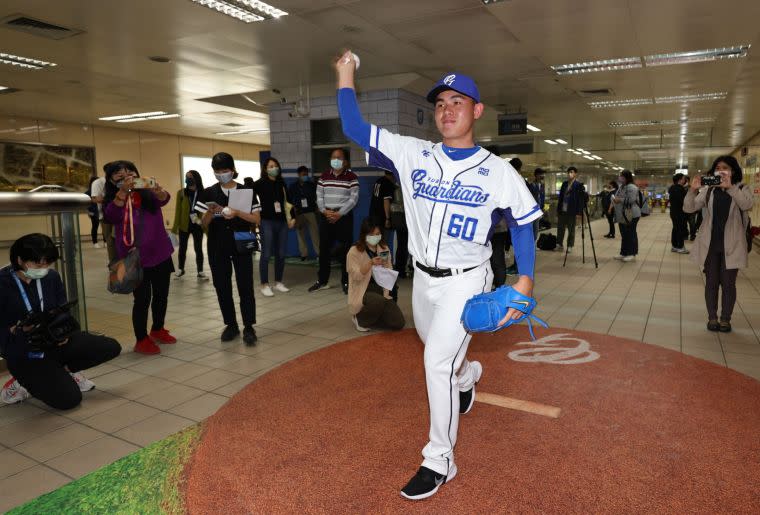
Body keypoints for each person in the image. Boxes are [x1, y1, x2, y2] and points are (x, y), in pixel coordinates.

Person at [336, 52, 542, 499]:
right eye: (441, 103)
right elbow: (354, 129)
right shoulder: (414, 155)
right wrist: (346, 75)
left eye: (457, 101)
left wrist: (524, 279)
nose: (447, 110)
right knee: (441, 354)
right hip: (423, 281)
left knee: (434, 363)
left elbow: (524, 222)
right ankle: (468, 378)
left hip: (468, 279)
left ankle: (440, 460)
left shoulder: (497, 171)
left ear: (477, 111)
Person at [0, 234, 121, 408]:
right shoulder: (3, 284)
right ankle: (21, 382)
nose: (44, 268)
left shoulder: (51, 278)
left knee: (110, 346)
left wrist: (64, 331)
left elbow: (61, 310)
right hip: (26, 352)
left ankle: (64, 371)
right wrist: (14, 332)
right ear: (20, 260)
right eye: (38, 263)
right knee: (69, 400)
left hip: (55, 341)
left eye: (47, 263)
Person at [104, 161, 177, 355]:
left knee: (162, 294)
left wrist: (157, 189)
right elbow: (110, 216)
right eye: (118, 174)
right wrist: (123, 193)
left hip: (160, 252)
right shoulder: (113, 199)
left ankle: (158, 329)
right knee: (142, 299)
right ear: (111, 180)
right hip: (135, 257)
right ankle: (141, 339)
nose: (125, 175)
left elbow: (165, 198)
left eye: (129, 171)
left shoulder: (147, 192)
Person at [195, 152, 261, 345]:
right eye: (218, 171)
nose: (222, 174)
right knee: (222, 285)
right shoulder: (208, 193)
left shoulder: (246, 191)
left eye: (225, 170)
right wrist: (211, 211)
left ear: (232, 170)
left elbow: (256, 219)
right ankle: (231, 324)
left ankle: (249, 326)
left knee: (245, 285)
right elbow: (203, 224)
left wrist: (237, 212)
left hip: (241, 243)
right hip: (217, 244)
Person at [684, 156, 753, 333]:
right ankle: (712, 318)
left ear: (733, 171)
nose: (721, 171)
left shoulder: (742, 188)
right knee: (711, 283)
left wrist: (730, 187)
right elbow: (689, 208)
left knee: (729, 284)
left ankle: (725, 319)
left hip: (733, 244)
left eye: (725, 168)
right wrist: (692, 190)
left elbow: (747, 204)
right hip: (711, 245)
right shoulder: (709, 190)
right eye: (718, 168)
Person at [309, 148, 359, 294]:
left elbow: (353, 199)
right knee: (324, 250)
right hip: (326, 216)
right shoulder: (324, 176)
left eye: (339, 157)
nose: (335, 160)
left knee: (346, 251)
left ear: (345, 161)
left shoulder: (352, 177)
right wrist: (324, 211)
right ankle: (322, 281)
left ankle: (345, 281)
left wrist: (340, 213)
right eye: (333, 157)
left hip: (343, 218)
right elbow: (319, 196)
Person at [346, 218, 405, 332]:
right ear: (364, 235)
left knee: (398, 322)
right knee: (378, 301)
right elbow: (356, 276)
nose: (375, 237)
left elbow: (389, 269)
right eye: (371, 234)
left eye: (377, 234)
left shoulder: (383, 248)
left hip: (381, 288)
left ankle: (375, 315)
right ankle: (360, 318)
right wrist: (370, 263)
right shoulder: (354, 251)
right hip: (363, 289)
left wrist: (386, 271)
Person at [255, 157, 294, 297]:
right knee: (266, 254)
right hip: (266, 222)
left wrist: (292, 217)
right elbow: (250, 196)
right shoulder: (259, 183)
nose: (274, 168)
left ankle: (278, 282)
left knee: (281, 253)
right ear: (265, 169)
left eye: (275, 166)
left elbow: (288, 201)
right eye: (270, 166)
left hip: (282, 222)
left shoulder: (281, 183)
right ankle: (264, 284)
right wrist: (256, 212)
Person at [489, 157, 522, 287]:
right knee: (495, 258)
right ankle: (496, 284)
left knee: (496, 258)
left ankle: (499, 285)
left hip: (497, 227)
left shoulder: (502, 181)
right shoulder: (505, 180)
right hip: (497, 227)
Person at [172, 169, 208, 278]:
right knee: (182, 248)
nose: (188, 179)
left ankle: (200, 271)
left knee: (198, 249)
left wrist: (205, 226)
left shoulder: (203, 192)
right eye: (186, 177)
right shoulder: (181, 192)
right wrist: (174, 228)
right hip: (184, 225)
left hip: (198, 224)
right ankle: (180, 269)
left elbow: (207, 209)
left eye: (190, 177)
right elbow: (178, 211)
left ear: (196, 178)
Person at [289, 166, 320, 261]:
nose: (305, 176)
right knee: (300, 235)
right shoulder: (293, 186)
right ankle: (304, 255)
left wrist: (318, 208)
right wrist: (293, 212)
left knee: (315, 234)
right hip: (299, 213)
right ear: (298, 175)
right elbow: (289, 200)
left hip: (311, 212)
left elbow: (317, 197)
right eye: (303, 175)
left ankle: (319, 254)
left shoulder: (312, 185)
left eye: (306, 174)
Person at [611, 170, 641, 262]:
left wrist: (619, 200)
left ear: (626, 177)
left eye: (622, 176)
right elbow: (617, 196)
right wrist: (614, 199)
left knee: (630, 234)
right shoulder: (622, 186)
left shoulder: (632, 187)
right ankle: (623, 252)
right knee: (624, 234)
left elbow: (631, 200)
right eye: (620, 176)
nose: (620, 178)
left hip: (631, 214)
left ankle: (632, 253)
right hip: (623, 215)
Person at [556, 166, 585, 252]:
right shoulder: (564, 184)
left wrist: (579, 212)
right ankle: (559, 244)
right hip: (563, 209)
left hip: (572, 211)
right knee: (560, 228)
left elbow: (580, 200)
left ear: (575, 174)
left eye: (572, 172)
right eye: (568, 172)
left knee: (571, 229)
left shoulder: (578, 185)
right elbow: (560, 197)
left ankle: (570, 245)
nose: (570, 174)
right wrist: (558, 210)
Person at [90, 165, 116, 262]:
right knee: (111, 241)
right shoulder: (98, 183)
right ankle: (114, 265)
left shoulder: (121, 182)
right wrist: (109, 199)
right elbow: (94, 198)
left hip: (122, 215)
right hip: (106, 216)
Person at [668, 173, 689, 254]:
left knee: (675, 229)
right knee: (680, 229)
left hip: (673, 212)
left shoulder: (672, 188)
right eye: (684, 179)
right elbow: (684, 201)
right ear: (680, 180)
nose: (685, 180)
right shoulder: (679, 189)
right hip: (680, 213)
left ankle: (674, 246)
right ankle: (680, 247)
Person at [527, 168, 546, 240]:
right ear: (536, 175)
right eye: (541, 174)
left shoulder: (542, 185)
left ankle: (534, 242)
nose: (542, 176)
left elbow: (542, 197)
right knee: (531, 227)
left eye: (543, 174)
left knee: (536, 228)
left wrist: (543, 207)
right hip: (532, 210)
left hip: (539, 210)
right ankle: (530, 242)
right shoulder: (532, 185)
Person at [85, 176, 101, 248]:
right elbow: (85, 204)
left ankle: (105, 241)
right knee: (95, 226)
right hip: (93, 212)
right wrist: (88, 212)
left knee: (104, 227)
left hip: (101, 211)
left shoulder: (100, 190)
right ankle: (95, 242)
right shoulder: (88, 192)